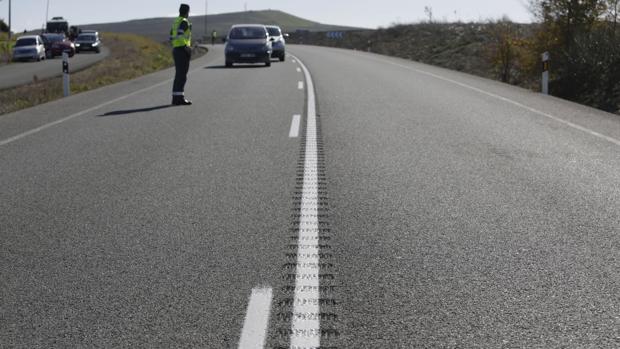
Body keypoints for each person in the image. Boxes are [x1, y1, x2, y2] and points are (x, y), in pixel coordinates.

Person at [170, 4, 192, 106]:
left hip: (176, 49)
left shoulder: (176, 21)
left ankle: (176, 98)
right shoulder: (184, 21)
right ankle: (179, 99)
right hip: (182, 50)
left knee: (179, 75)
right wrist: (185, 47)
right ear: (187, 11)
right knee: (182, 75)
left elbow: (171, 36)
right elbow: (180, 35)